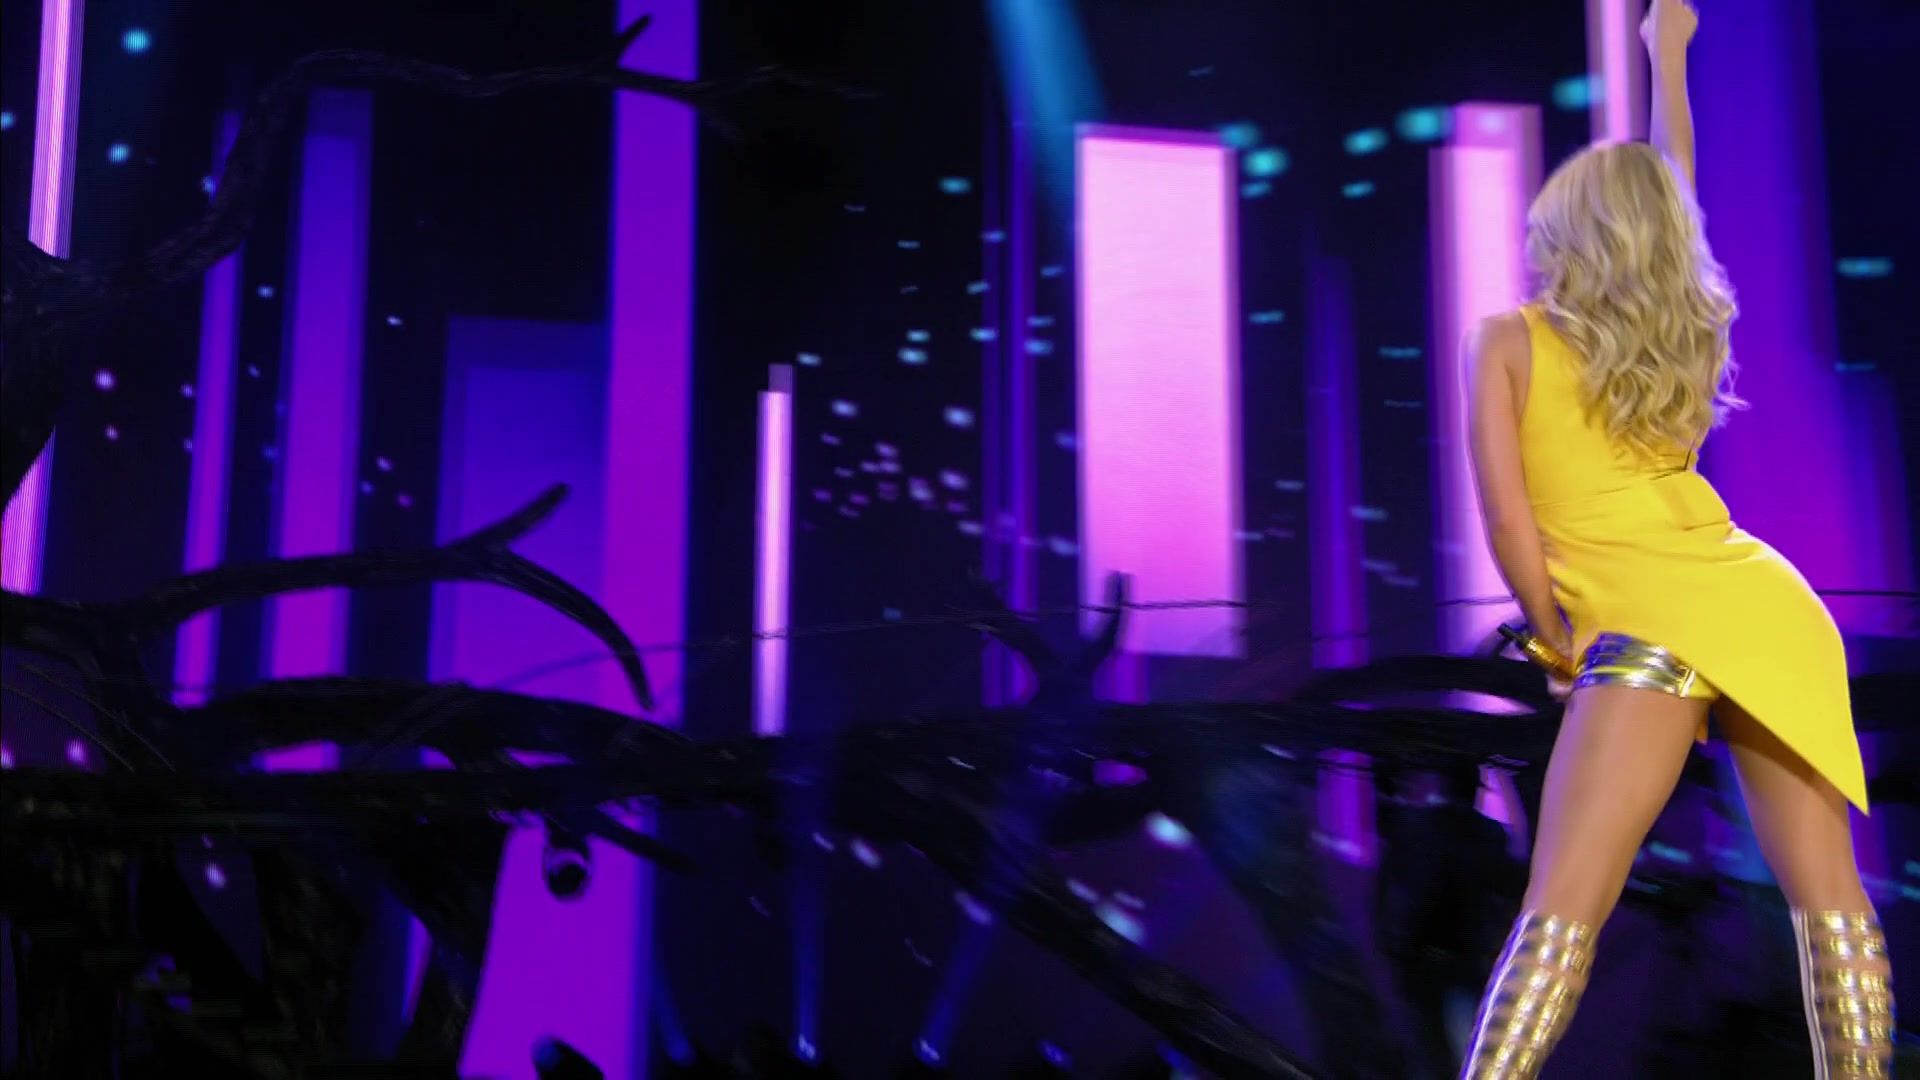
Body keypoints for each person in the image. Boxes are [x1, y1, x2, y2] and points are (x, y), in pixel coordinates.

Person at [1455, 1, 1894, 1076]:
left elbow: (1508, 518)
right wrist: (1669, 53)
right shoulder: (1680, 325)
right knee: (1832, 907)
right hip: (1767, 612)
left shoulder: (1505, 340)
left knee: (1561, 912)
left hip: (1644, 630)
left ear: (1560, 228)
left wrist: (1554, 639)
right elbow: (1673, 185)